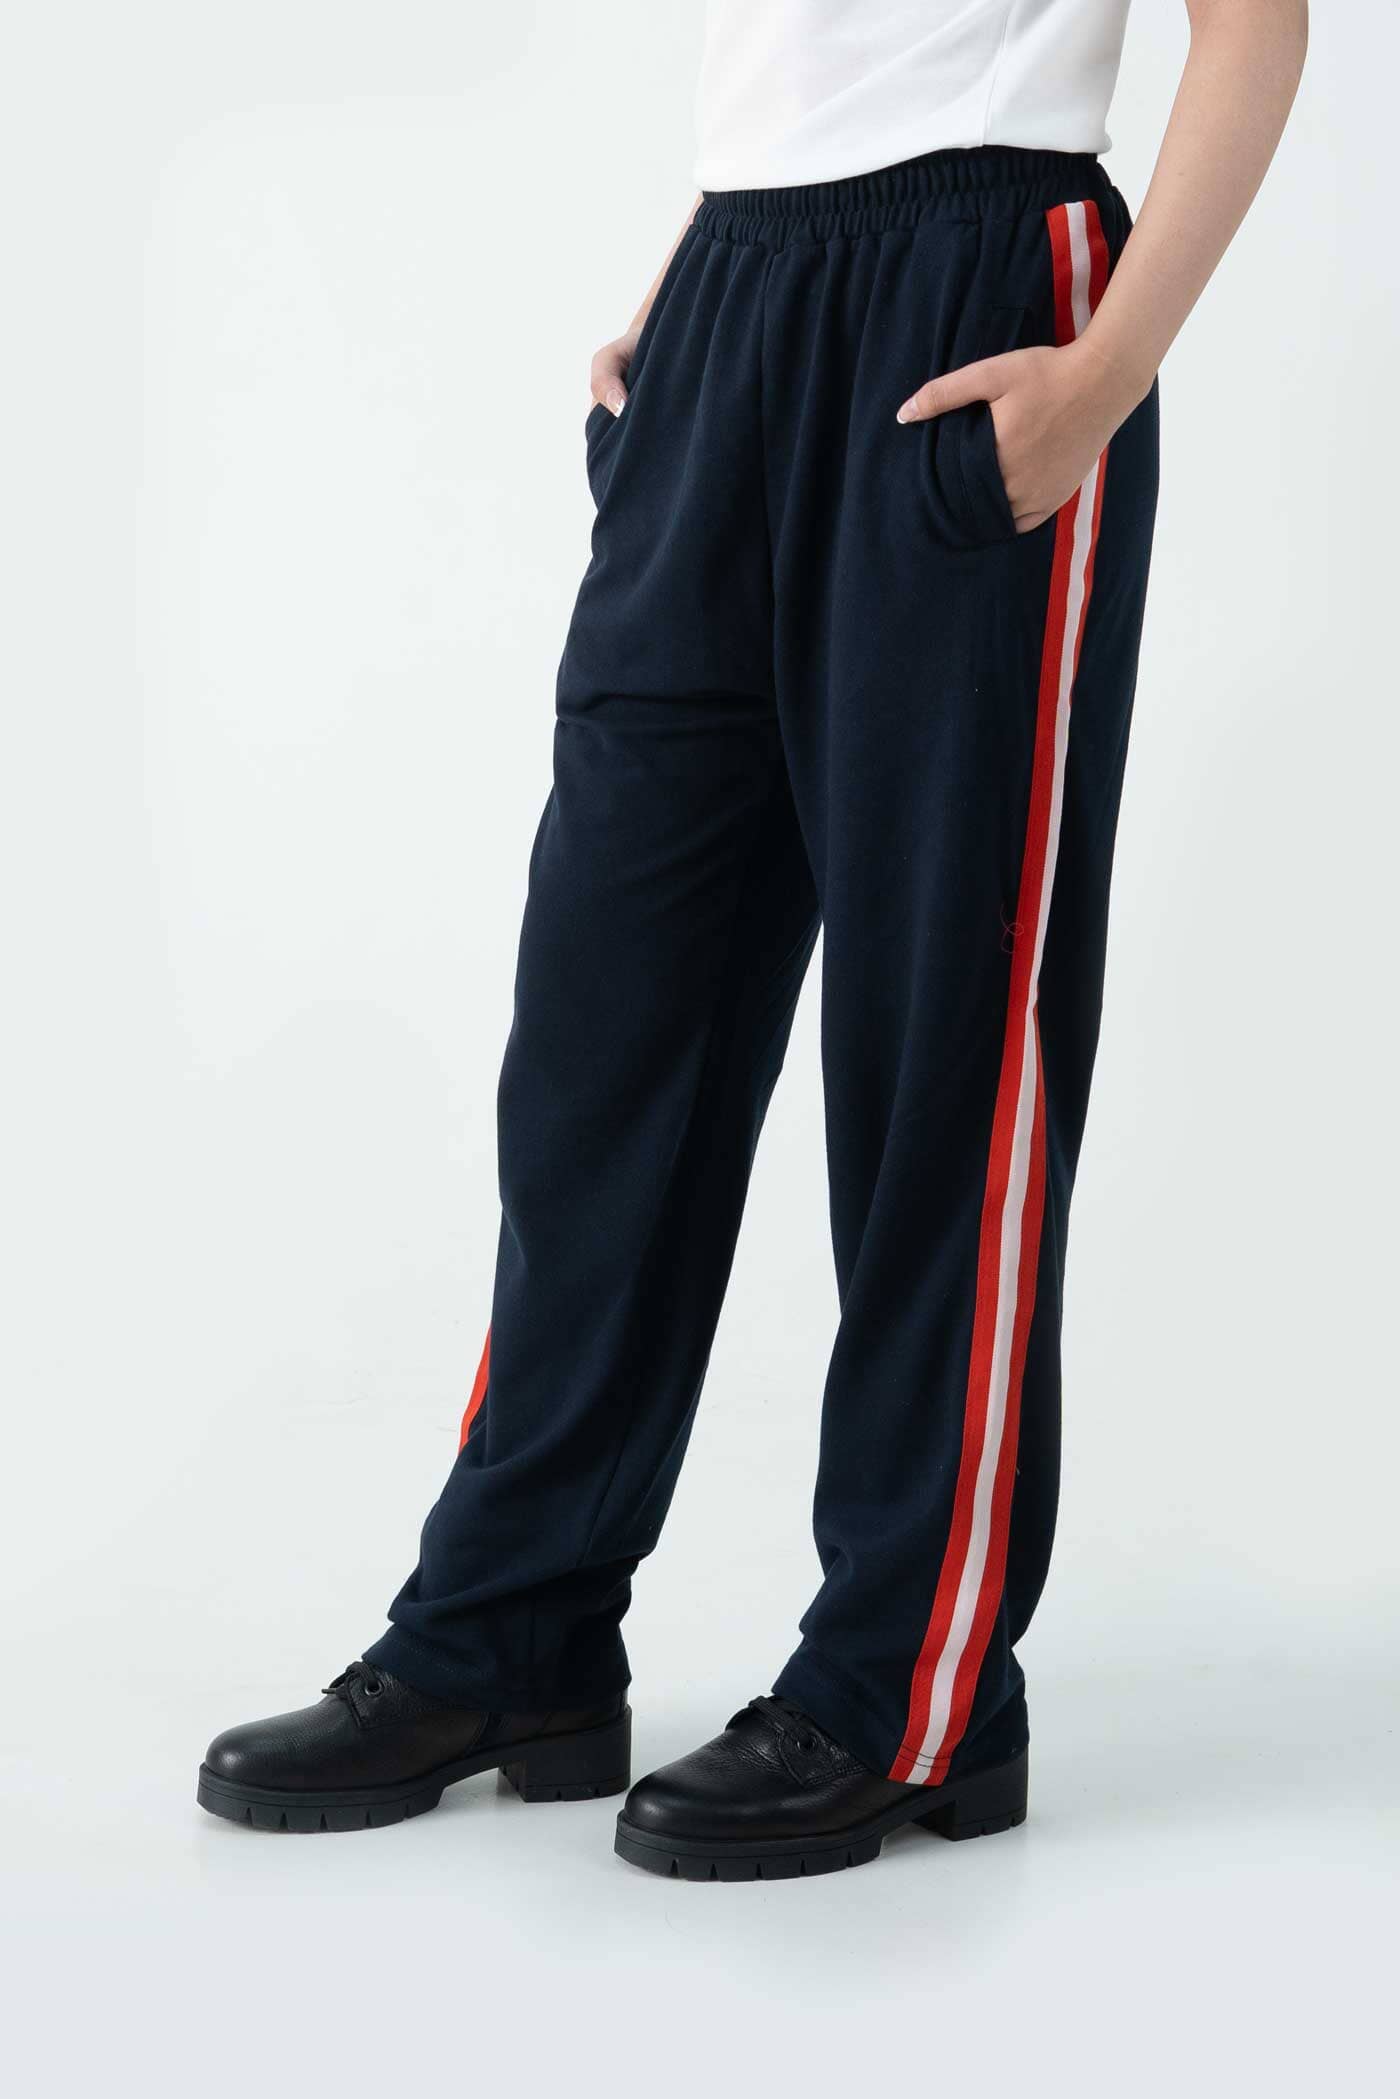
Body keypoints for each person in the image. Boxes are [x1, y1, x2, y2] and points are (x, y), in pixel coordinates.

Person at [198, 0, 1307, 1879]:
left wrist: (1104, 375)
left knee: (943, 1037)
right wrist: (691, 282)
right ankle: (515, 1621)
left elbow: (1257, 26)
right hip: (730, 302)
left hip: (981, 281)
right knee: (603, 1035)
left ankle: (909, 1679)